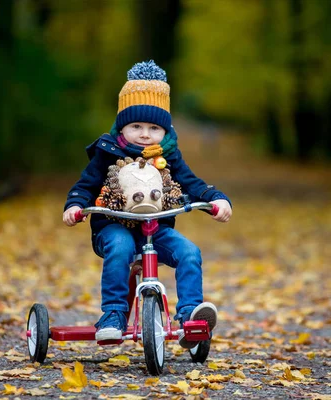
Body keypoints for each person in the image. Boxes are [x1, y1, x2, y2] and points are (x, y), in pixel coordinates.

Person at [63, 60, 232, 348]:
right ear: (121, 126)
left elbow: (191, 183)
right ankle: (114, 315)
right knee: (121, 248)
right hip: (113, 227)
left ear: (165, 131)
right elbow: (87, 184)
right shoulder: (109, 151)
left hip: (155, 230)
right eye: (136, 126)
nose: (145, 134)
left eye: (154, 127)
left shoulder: (168, 155)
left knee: (190, 252)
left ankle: (190, 316)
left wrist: (215, 198)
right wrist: (75, 205)